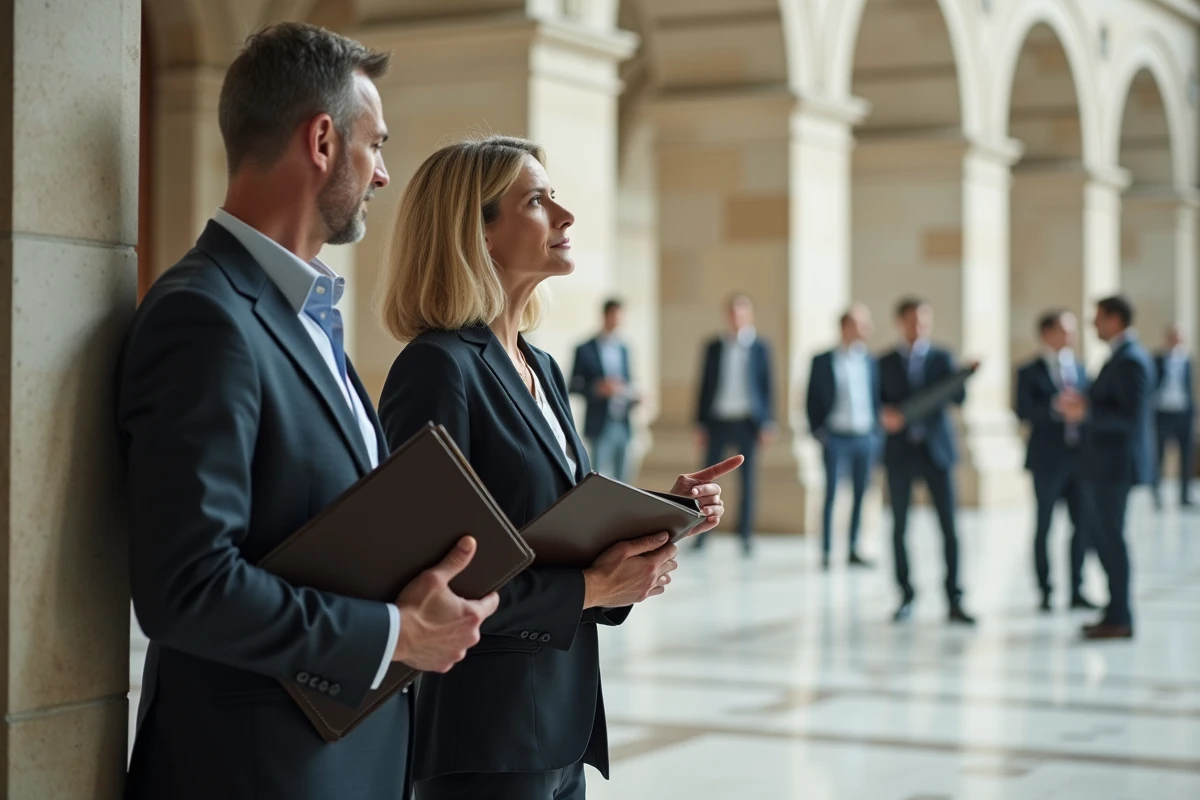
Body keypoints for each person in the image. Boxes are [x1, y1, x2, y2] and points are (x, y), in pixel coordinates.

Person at [117, 24, 497, 800]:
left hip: (337, 760)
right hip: (255, 771)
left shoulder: (308, 314)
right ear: (321, 139)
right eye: (375, 145)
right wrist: (396, 634)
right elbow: (186, 588)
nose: (385, 173)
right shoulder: (206, 316)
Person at [376, 135, 741, 800]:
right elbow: (426, 581)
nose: (566, 217)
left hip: (562, 722)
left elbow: (554, 527)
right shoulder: (437, 369)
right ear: (477, 232)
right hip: (485, 734)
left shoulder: (539, 366)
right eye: (538, 202)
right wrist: (590, 590)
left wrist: (663, 514)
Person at [1057, 295, 1154, 640]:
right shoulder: (1119, 357)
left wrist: (1086, 414)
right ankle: (1114, 611)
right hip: (1102, 466)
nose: (1093, 324)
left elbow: (1130, 419)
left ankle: (1121, 617)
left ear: (1115, 319)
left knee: (1111, 540)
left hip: (1114, 468)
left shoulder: (1131, 360)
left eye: (1097, 318)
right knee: (1104, 539)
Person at [878, 297, 975, 625]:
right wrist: (884, 415)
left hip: (938, 453)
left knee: (949, 527)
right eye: (912, 321)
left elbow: (959, 398)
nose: (918, 327)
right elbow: (875, 402)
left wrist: (960, 376)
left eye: (924, 320)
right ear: (900, 323)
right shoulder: (884, 362)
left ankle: (954, 598)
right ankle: (905, 595)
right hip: (900, 453)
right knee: (900, 528)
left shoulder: (942, 357)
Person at [1015, 310, 1096, 612]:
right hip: (1047, 459)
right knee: (1044, 525)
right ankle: (1045, 590)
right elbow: (1023, 409)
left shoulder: (1080, 367)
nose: (1071, 336)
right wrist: (1055, 407)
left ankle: (1077, 588)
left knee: (1082, 525)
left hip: (1079, 459)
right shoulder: (1029, 370)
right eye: (1064, 330)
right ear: (1047, 333)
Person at [693, 293, 776, 555]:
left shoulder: (761, 347)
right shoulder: (713, 346)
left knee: (747, 482)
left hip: (747, 422)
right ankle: (702, 535)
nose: (736, 317)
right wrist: (699, 423)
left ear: (750, 315)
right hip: (717, 420)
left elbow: (768, 387)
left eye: (741, 312)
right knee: (705, 482)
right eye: (732, 312)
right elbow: (703, 386)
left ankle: (745, 535)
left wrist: (768, 422)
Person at [806, 304, 879, 570]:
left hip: (864, 437)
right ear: (846, 327)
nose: (866, 329)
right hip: (835, 437)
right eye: (861, 324)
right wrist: (818, 431)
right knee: (831, 494)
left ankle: (853, 548)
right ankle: (826, 550)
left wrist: (875, 435)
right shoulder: (823, 360)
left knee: (861, 494)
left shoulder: (870, 361)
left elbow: (875, 399)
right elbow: (811, 398)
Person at [570, 298, 640, 482]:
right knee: (599, 478)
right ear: (605, 316)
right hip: (599, 424)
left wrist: (634, 396)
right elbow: (573, 385)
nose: (618, 321)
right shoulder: (584, 349)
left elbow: (628, 383)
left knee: (625, 479)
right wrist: (596, 389)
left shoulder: (625, 349)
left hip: (622, 422)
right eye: (615, 316)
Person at [1153, 323, 1195, 508]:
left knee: (1186, 456)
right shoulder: (1158, 358)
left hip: (1183, 413)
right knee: (1160, 455)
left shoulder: (1187, 360)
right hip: (1163, 412)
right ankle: (1157, 495)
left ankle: (1185, 496)